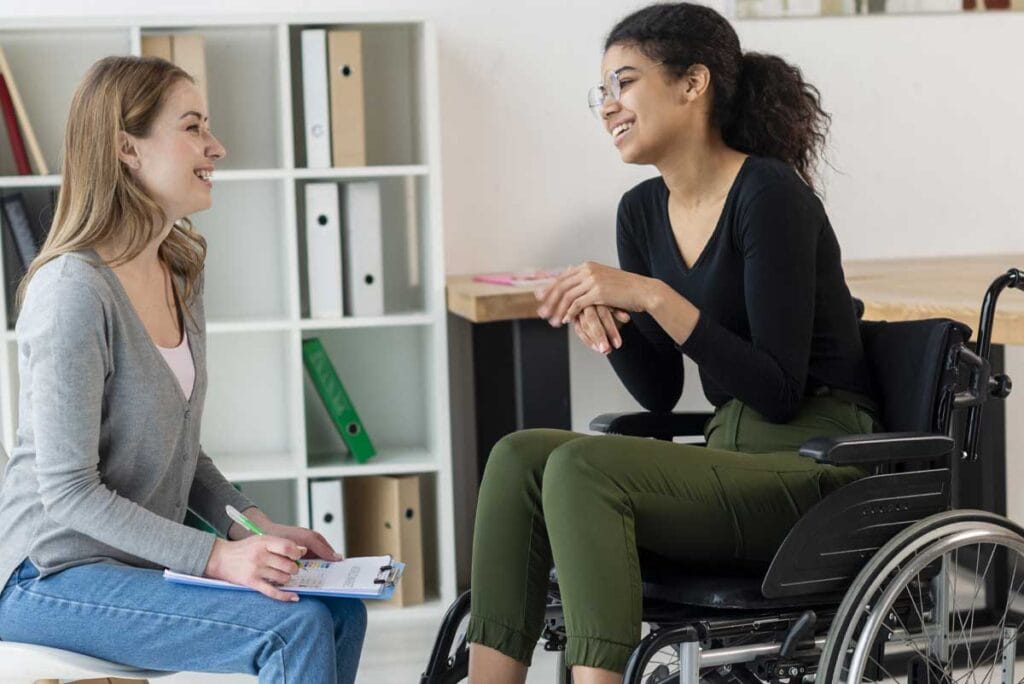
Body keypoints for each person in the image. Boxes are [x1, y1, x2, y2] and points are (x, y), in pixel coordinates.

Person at [465, 3, 881, 683]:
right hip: (730, 457)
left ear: (693, 84)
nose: (608, 106)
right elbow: (657, 392)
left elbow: (778, 391)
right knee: (519, 456)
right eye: (602, 91)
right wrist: (606, 322)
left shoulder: (768, 193)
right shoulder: (641, 211)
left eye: (624, 83)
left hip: (818, 464)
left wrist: (653, 296)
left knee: (583, 469)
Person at [0, 56, 366, 683]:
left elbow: (182, 453)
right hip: (48, 573)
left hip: (128, 563)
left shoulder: (178, 271)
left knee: (336, 611)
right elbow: (68, 491)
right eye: (193, 127)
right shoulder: (72, 291)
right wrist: (220, 558)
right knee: (292, 629)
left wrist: (256, 526)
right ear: (126, 149)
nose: (216, 147)